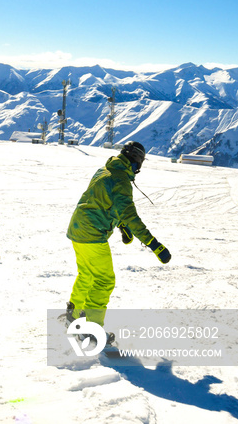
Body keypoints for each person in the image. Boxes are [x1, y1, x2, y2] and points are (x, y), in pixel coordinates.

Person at [66, 141, 171, 337]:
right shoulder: (121, 180)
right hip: (92, 233)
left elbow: (102, 200)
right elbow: (130, 215)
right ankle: (91, 332)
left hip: (78, 228)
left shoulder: (104, 170)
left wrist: (121, 225)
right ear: (138, 162)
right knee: (104, 280)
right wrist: (154, 244)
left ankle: (73, 314)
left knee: (88, 274)